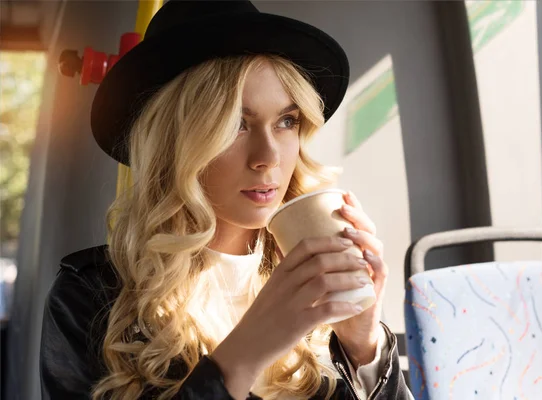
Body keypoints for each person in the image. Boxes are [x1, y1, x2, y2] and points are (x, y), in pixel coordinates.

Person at [40, 1, 413, 399]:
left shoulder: (326, 280)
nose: (268, 156)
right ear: (174, 143)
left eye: (286, 121)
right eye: (236, 124)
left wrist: (365, 349)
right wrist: (243, 355)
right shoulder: (89, 299)